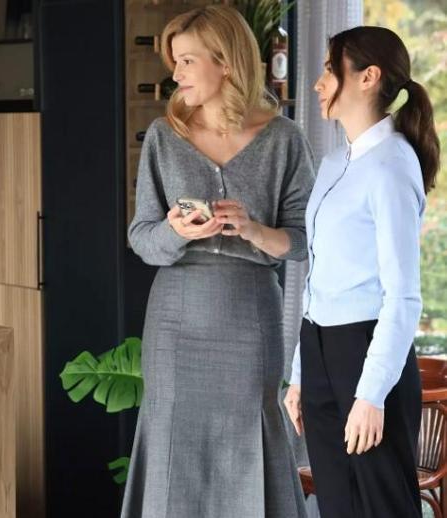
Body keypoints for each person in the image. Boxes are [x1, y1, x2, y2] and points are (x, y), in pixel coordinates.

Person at [121, 6, 315, 517]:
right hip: (175, 319)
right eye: (175, 62)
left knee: (248, 436)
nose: (176, 74)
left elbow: (303, 241)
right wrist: (175, 231)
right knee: (173, 442)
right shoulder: (164, 137)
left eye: (187, 61)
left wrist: (253, 230)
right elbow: (142, 238)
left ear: (225, 62)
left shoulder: (284, 140)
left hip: (249, 317)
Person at [284, 26, 440, 518]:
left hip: (367, 352)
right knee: (338, 508)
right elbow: (320, 276)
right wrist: (300, 374)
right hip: (320, 349)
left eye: (330, 70)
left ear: (368, 77)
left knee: (382, 507)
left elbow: (403, 296)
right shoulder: (334, 163)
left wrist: (372, 395)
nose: (318, 83)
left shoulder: (393, 165)